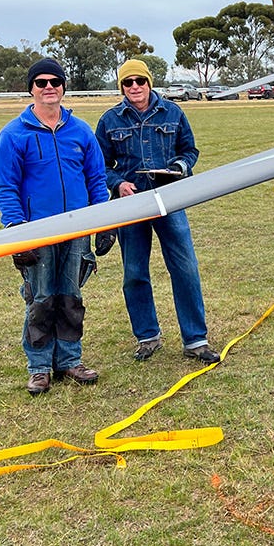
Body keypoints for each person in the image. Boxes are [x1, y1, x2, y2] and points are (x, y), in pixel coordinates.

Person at [0, 57, 109, 395]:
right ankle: (40, 367)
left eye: (55, 82)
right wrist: (18, 232)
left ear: (63, 88)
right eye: (41, 82)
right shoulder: (14, 135)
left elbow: (96, 179)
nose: (48, 87)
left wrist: (104, 221)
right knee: (41, 298)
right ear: (30, 88)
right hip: (37, 231)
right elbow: (6, 187)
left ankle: (70, 361)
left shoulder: (81, 131)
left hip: (77, 230)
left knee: (71, 296)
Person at [93, 59, 220, 365]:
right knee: (134, 272)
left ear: (149, 82)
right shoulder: (110, 120)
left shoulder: (173, 113)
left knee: (185, 267)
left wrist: (179, 167)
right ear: (121, 87)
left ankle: (195, 340)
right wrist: (119, 183)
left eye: (140, 80)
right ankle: (147, 337)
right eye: (128, 82)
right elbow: (99, 167)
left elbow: (189, 151)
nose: (134, 87)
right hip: (131, 205)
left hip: (169, 200)